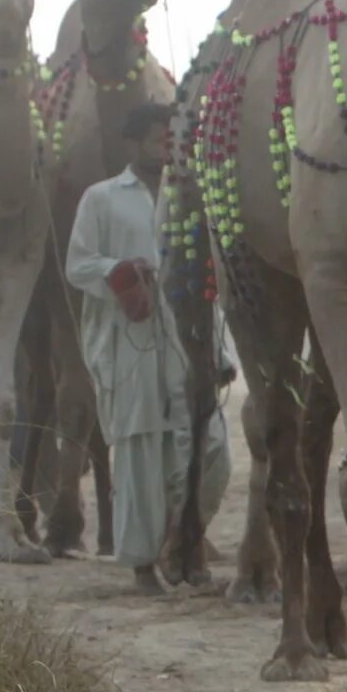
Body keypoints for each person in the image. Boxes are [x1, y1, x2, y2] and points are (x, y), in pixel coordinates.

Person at [64, 99, 226, 591]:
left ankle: (184, 536)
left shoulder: (195, 194)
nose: (166, 144)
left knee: (213, 447)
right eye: (157, 136)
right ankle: (142, 563)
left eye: (172, 136)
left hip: (191, 336)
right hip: (130, 337)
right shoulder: (103, 198)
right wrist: (119, 271)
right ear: (132, 143)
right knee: (140, 450)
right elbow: (77, 265)